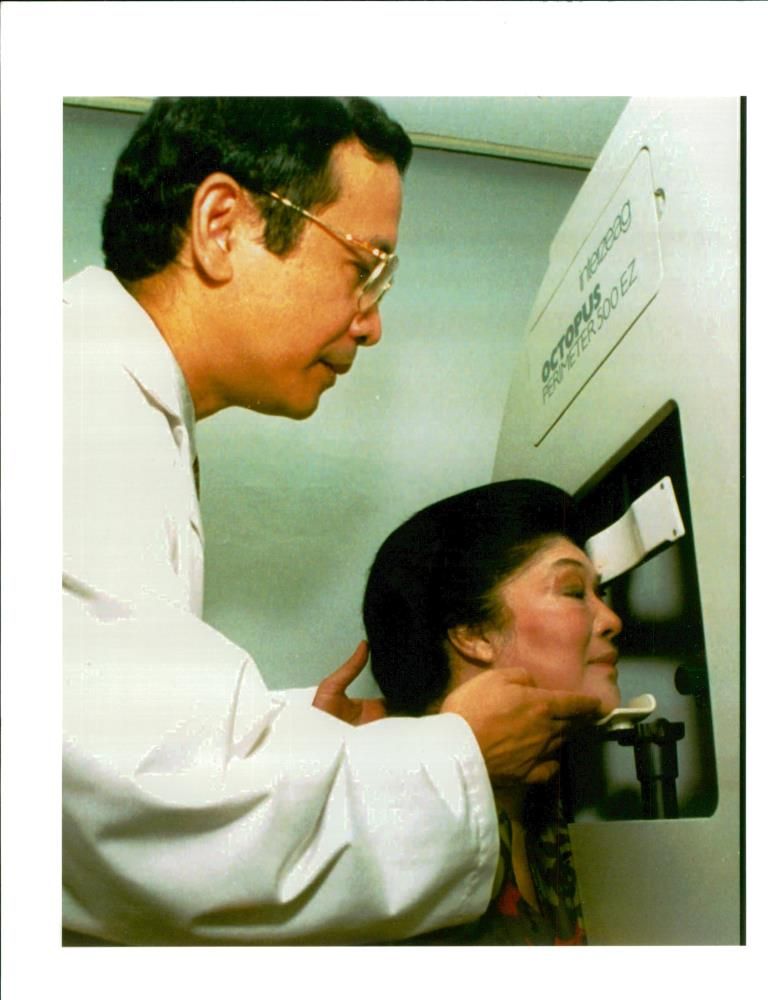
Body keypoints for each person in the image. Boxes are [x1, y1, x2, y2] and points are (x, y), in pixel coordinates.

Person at [63, 97, 601, 945]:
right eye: (366, 266)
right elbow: (139, 807)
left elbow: (95, 733)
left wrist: (285, 735)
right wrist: (461, 755)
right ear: (221, 225)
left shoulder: (119, 405)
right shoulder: (70, 401)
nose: (374, 323)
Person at [362, 479, 622, 944]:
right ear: (474, 631)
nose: (610, 620)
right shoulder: (393, 841)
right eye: (573, 591)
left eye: (599, 593)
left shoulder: (547, 814)